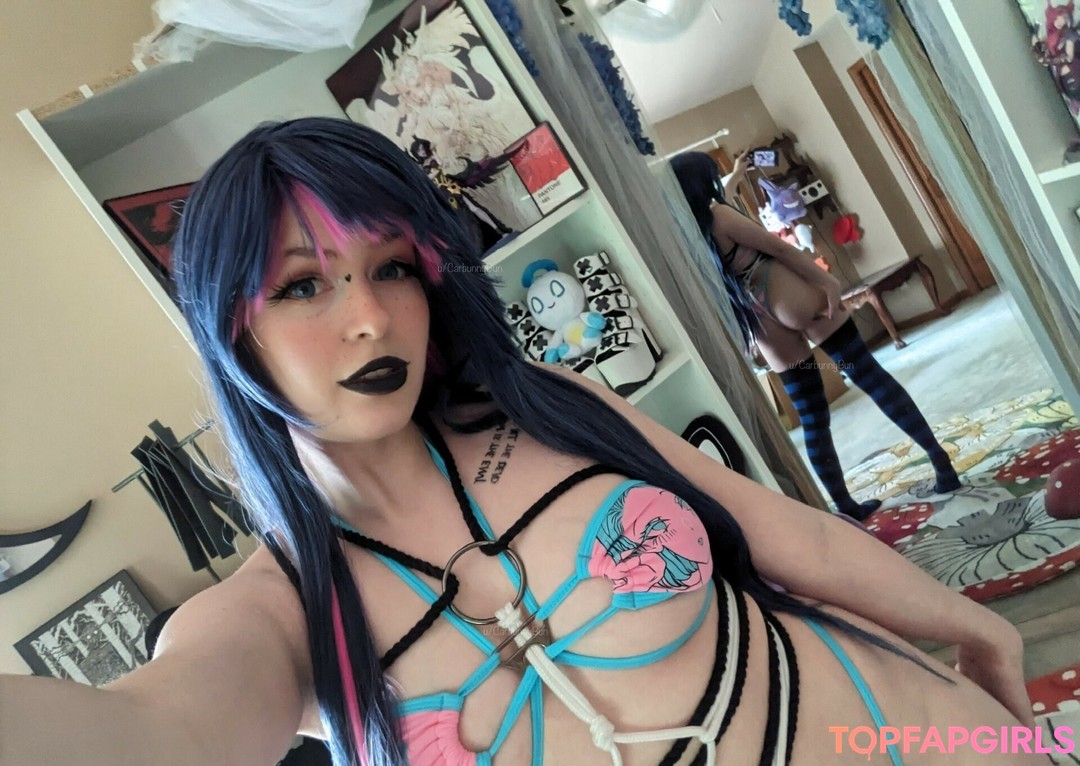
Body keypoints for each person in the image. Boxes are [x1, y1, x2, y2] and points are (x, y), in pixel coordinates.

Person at [0, 118, 1043, 766]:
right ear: (231, 328)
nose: (370, 318)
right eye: (304, 285)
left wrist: (974, 626)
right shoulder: (272, 616)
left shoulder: (545, 405)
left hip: (918, 729)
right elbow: (154, 736)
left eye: (392, 268)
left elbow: (786, 535)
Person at [671, 151, 962, 521]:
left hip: (762, 321)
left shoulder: (693, 231)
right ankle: (941, 462)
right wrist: (827, 281)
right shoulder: (722, 215)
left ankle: (845, 506)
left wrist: (738, 173)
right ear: (703, 184)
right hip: (792, 296)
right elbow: (777, 247)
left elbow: (724, 200)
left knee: (812, 415)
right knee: (868, 376)